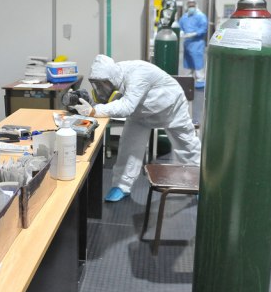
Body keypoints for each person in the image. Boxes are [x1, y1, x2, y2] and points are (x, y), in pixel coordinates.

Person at [74, 55, 201, 202]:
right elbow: (117, 101)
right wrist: (93, 106)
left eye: (104, 84)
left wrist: (95, 110)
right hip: (140, 115)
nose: (102, 88)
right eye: (98, 85)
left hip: (172, 109)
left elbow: (127, 106)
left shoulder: (138, 74)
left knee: (188, 145)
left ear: (112, 77)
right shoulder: (115, 76)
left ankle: (199, 183)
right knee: (128, 149)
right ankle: (121, 186)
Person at [178, 0, 208, 89]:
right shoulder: (184, 17)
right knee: (188, 62)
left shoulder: (200, 16)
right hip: (187, 43)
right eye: (189, 6)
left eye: (192, 6)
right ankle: (188, 80)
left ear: (196, 6)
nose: (191, 8)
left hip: (197, 43)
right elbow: (180, 26)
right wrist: (181, 32)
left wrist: (194, 33)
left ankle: (200, 80)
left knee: (198, 61)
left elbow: (203, 28)